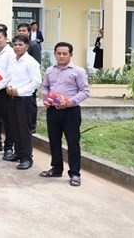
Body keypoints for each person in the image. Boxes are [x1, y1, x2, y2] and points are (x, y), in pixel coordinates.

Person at [40, 42, 90, 186]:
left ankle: (75, 173)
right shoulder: (50, 71)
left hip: (70, 112)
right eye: (58, 53)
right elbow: (45, 87)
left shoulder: (78, 71)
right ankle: (56, 168)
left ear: (70, 55)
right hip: (53, 110)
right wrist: (46, 98)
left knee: (72, 142)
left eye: (64, 53)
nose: (61, 56)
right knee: (54, 140)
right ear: (54, 54)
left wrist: (69, 102)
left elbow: (85, 91)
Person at [4, 35, 42, 170]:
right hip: (12, 98)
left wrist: (19, 91)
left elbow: (36, 81)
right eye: (15, 45)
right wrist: (8, 87)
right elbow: (8, 76)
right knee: (14, 127)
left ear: (26, 46)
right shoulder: (13, 60)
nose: (17, 47)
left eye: (20, 45)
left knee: (24, 129)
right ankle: (18, 153)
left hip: (25, 99)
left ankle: (27, 157)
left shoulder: (30, 62)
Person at [17, 22, 42, 133]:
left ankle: (32, 125)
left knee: (31, 103)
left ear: (29, 32)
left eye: (24, 30)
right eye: (20, 30)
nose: (22, 32)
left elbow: (37, 62)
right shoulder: (16, 45)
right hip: (19, 80)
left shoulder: (33, 45)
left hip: (30, 79)